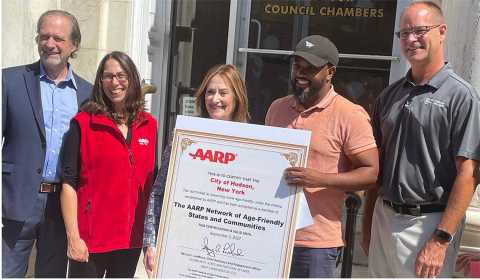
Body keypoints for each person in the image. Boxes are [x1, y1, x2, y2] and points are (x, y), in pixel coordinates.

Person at [362, 1, 480, 278]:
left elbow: (470, 173)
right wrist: (367, 223)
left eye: (419, 30)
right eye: (404, 33)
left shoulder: (462, 97)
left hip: (428, 223)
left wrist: (441, 239)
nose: (411, 39)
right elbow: (376, 168)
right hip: (384, 217)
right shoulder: (389, 96)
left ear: (442, 31)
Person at [265, 35, 379, 278]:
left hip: (316, 244)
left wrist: (320, 178)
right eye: (297, 66)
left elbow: (371, 173)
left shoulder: (350, 115)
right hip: (272, 235)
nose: (301, 74)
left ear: (330, 72)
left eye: (311, 68)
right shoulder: (277, 108)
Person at [2, 10, 91, 277]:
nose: (50, 43)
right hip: (16, 200)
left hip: (61, 205)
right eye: (44, 36)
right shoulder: (9, 80)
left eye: (58, 38)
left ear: (74, 44)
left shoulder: (87, 93)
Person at [142, 64, 250, 277]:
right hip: (185, 249)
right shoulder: (184, 138)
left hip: (233, 256)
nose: (215, 99)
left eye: (223, 92)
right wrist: (150, 243)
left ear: (237, 97)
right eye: (210, 92)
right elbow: (158, 192)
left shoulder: (253, 144)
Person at [60, 51, 157, 277]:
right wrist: (73, 237)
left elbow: (151, 185)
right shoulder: (83, 123)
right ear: (100, 81)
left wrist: (149, 241)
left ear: (132, 79)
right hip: (91, 239)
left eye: (121, 75)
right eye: (108, 76)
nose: (115, 82)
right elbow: (69, 183)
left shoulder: (149, 125)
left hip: (130, 240)